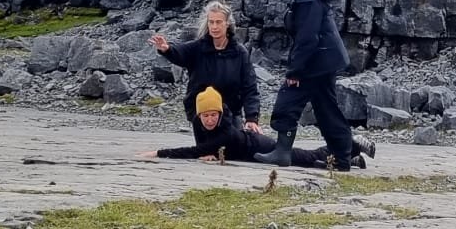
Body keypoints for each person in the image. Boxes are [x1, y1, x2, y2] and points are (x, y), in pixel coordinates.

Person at [265, 0, 362, 170]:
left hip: (316, 63)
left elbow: (307, 38)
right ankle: (342, 158)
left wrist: (294, 72)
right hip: (323, 61)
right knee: (326, 108)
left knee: (288, 99)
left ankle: (282, 153)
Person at [140, 87, 357, 167]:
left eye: (213, 115)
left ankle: (350, 147)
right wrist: (208, 154)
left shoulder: (226, 132)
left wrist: (159, 152)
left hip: (258, 146)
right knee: (304, 159)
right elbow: (202, 146)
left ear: (220, 113)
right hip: (244, 155)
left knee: (304, 158)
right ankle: (353, 158)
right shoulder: (198, 122)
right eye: (205, 115)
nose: (209, 120)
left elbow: (196, 150)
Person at [150, 0, 260, 138]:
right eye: (211, 22)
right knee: (210, 152)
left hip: (230, 111)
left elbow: (250, 87)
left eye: (218, 22)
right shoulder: (198, 48)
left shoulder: (240, 52)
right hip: (201, 112)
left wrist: (251, 118)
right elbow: (179, 51)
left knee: (237, 149)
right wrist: (166, 49)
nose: (214, 26)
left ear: (228, 24)